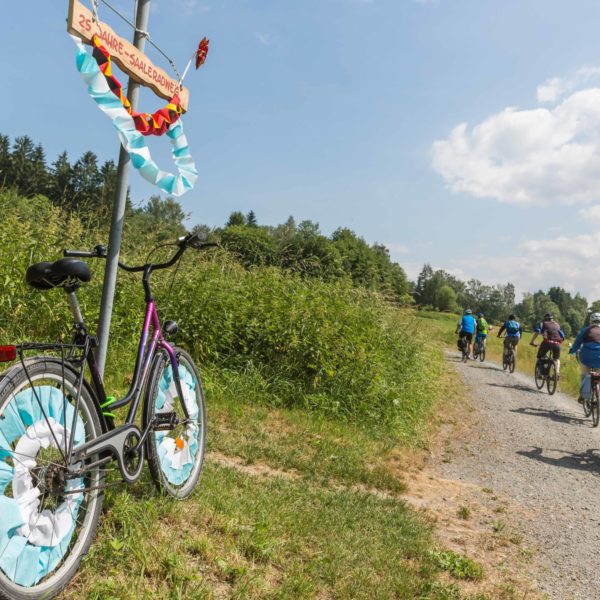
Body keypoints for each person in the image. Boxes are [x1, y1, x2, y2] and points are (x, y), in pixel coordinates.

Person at [569, 312, 600, 402]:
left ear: (591, 321)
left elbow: (577, 343)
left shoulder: (585, 330)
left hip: (586, 357)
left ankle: (583, 395)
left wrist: (572, 350)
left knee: (585, 375)